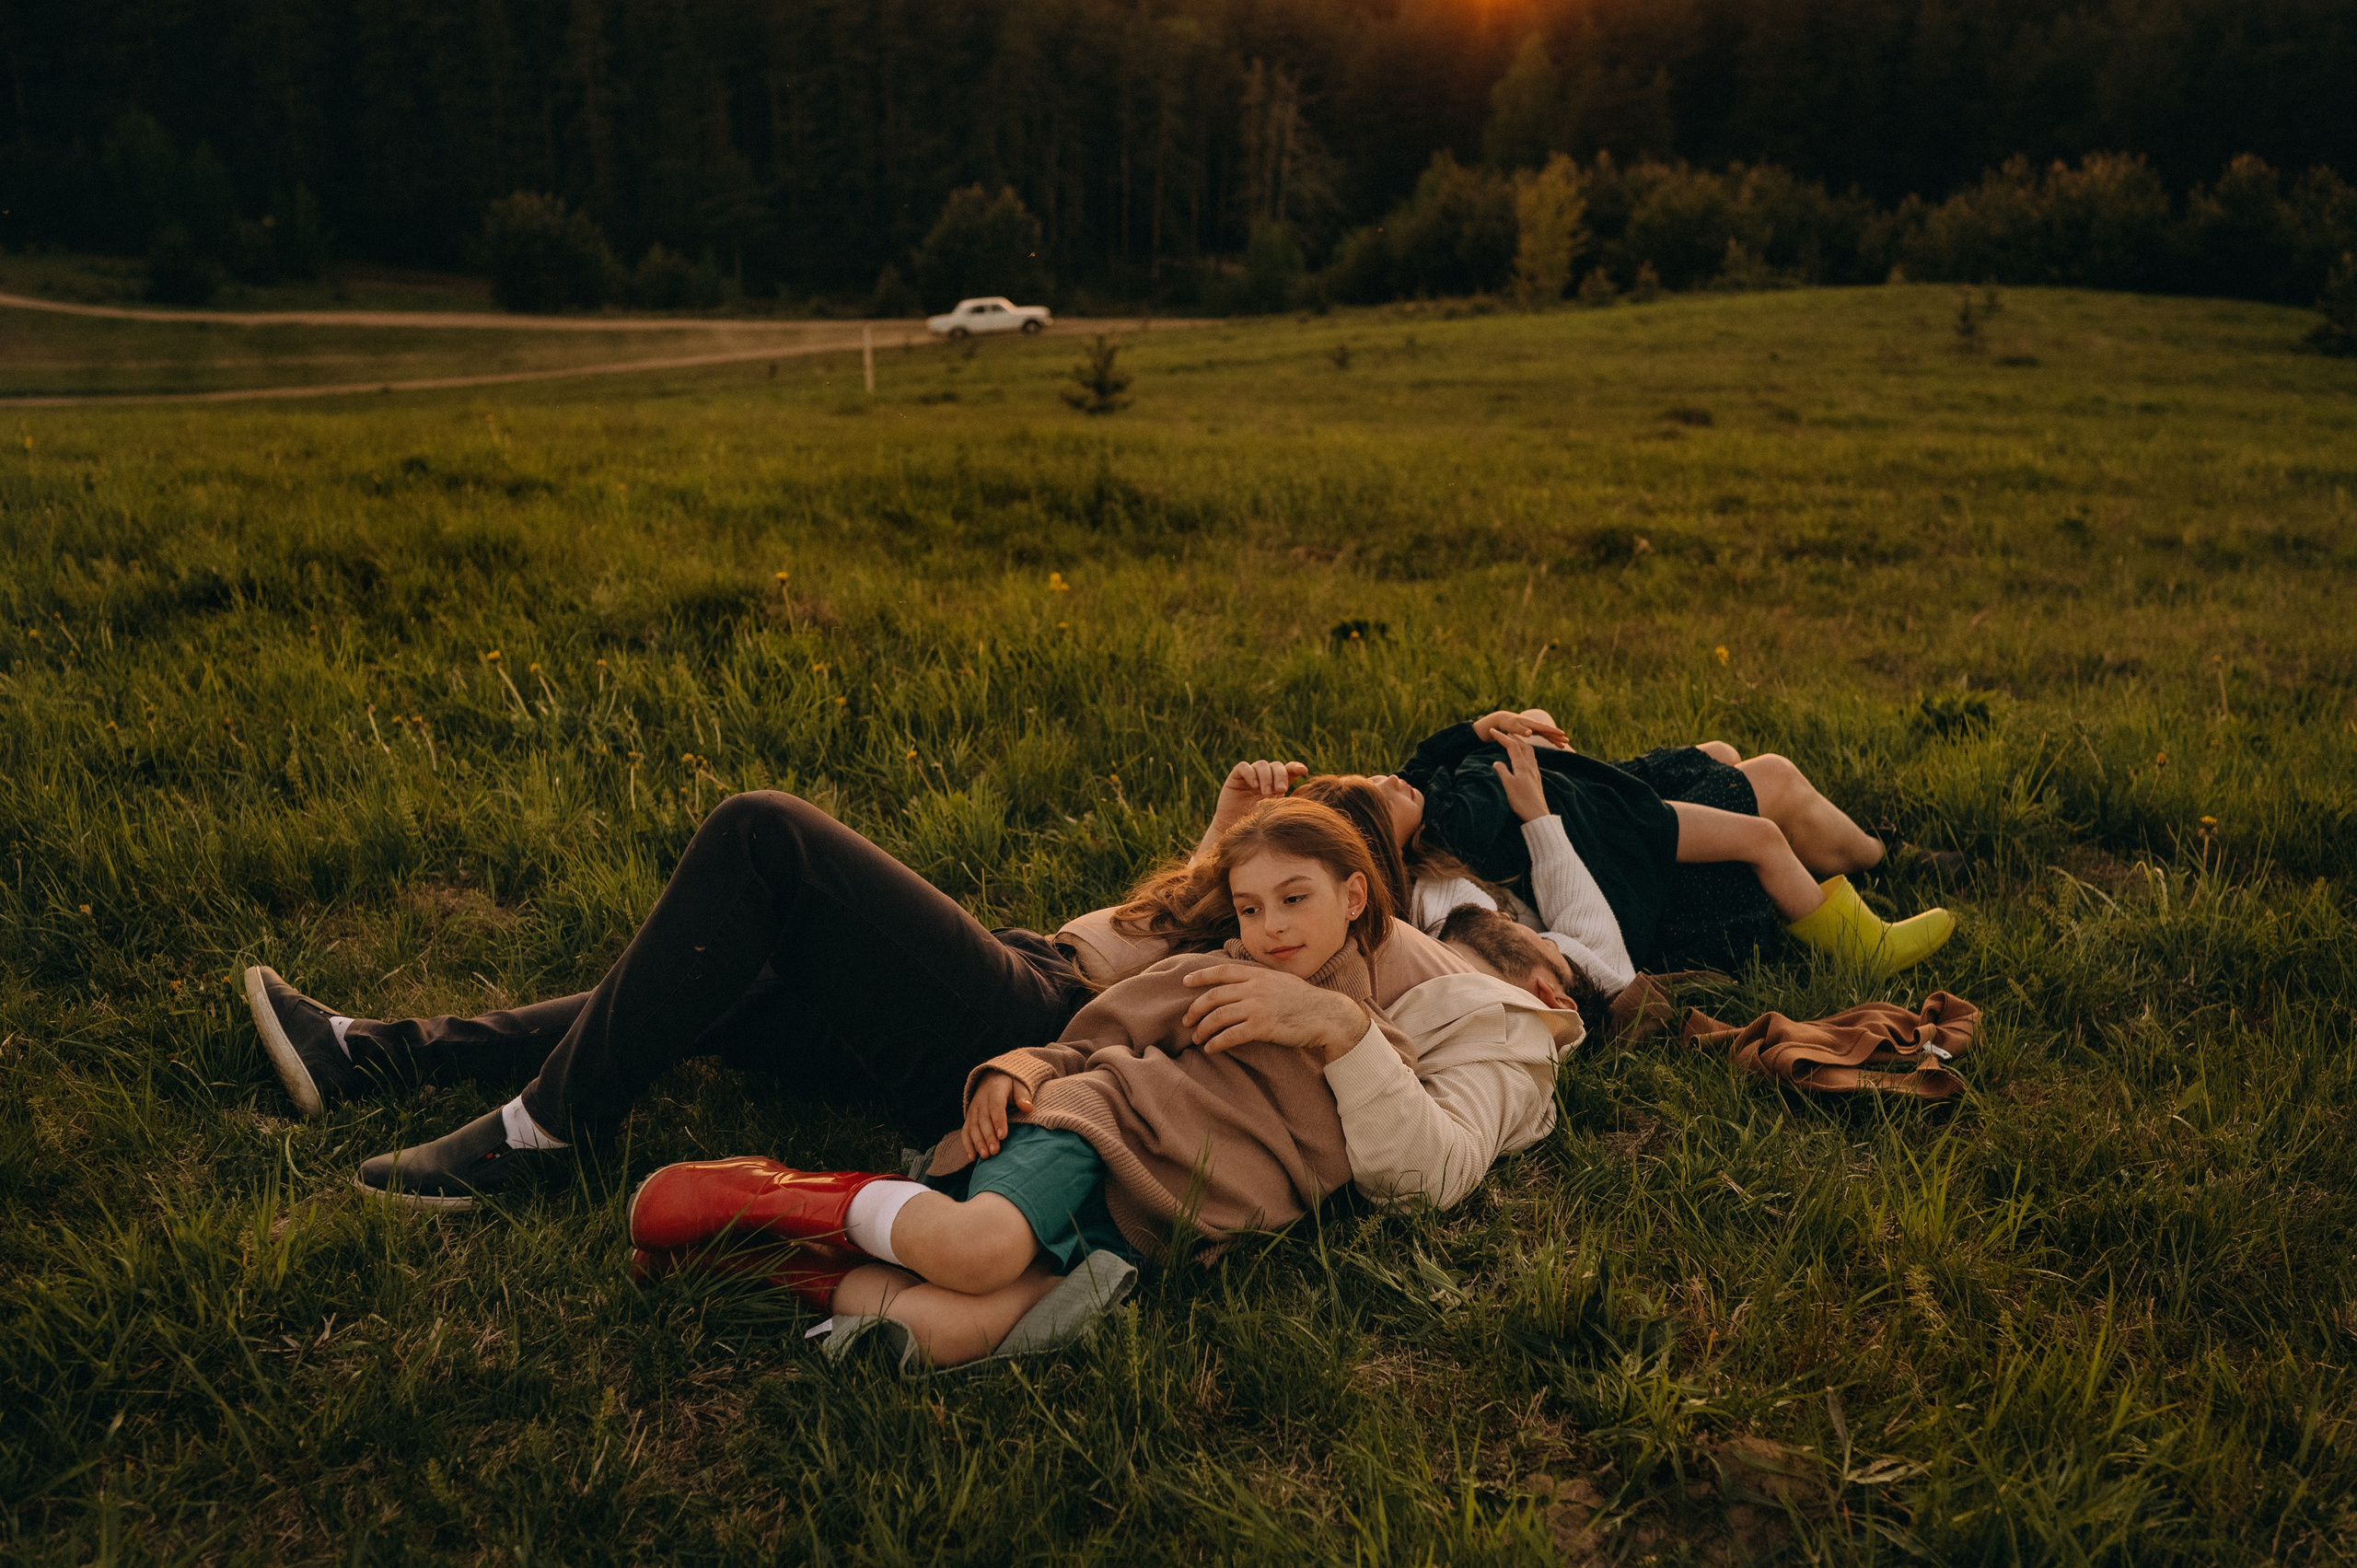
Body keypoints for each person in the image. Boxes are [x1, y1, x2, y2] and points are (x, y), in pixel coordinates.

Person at [624, 797, 1579, 1366]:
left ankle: (749, 1255)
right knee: (976, 1247)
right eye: (1252, 907)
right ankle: (766, 1190)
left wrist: (1334, 1027)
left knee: (947, 1325)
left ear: (1357, 894)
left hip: (1154, 1221)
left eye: (1295, 899)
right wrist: (1019, 1065)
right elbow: (1099, 1033)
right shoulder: (1217, 974)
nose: (1272, 926)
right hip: (1101, 1127)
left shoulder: (1383, 1047)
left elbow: (1404, 1151)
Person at [245, 791, 1097, 1209]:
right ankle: (369, 1055)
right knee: (708, 979)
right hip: (1028, 974)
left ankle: (543, 1131)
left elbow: (1153, 1046)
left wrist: (1033, 1064)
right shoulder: (1180, 901)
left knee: (765, 837)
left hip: (1035, 1028)